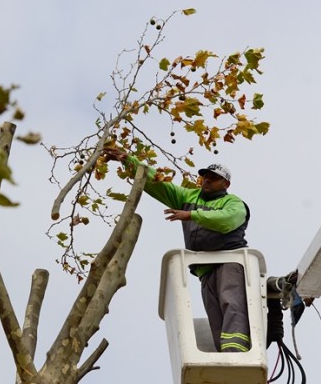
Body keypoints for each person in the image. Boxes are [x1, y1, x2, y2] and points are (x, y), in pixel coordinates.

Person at [103, 146, 252, 353]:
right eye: (205, 177)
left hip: (229, 262)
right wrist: (128, 160)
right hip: (205, 270)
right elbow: (157, 184)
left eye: (213, 178)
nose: (207, 180)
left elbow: (226, 221)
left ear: (225, 183)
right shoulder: (189, 197)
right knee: (216, 318)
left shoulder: (233, 203)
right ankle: (226, 360)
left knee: (231, 305)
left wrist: (191, 215)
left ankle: (238, 356)